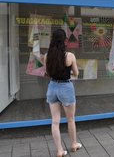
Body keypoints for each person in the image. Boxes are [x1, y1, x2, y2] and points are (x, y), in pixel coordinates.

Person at [45, 29, 82, 157]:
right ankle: (74, 144)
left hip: (52, 87)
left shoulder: (47, 56)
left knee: (55, 121)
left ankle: (60, 151)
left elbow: (48, 73)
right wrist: (70, 72)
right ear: (65, 40)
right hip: (66, 87)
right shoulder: (70, 56)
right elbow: (76, 73)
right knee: (70, 119)